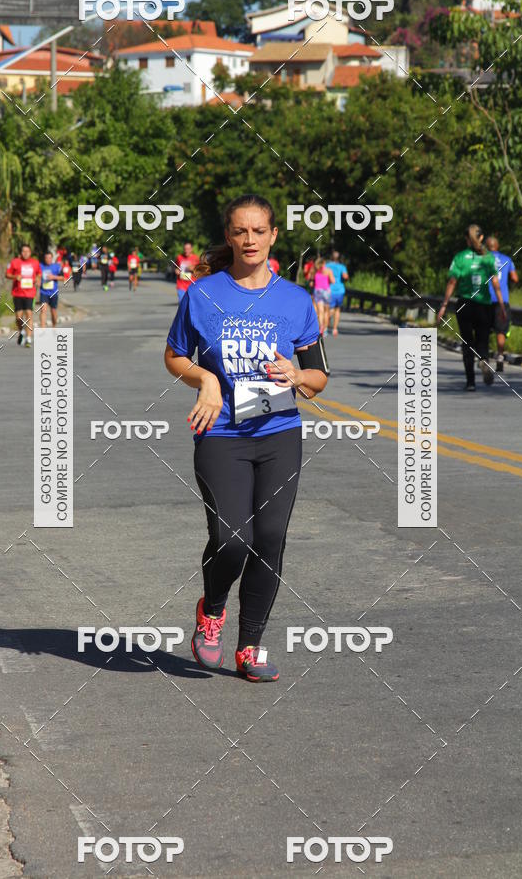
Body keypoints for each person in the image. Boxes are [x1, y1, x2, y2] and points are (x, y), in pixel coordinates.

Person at [164, 194, 329, 682]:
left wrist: (296, 376)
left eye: (259, 231)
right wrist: (206, 380)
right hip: (220, 434)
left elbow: (319, 376)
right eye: (241, 231)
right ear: (229, 237)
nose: (250, 239)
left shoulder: (296, 300)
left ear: (274, 235)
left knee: (270, 539)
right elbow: (175, 356)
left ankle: (250, 646)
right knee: (232, 538)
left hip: (278, 432)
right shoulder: (203, 294)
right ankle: (211, 610)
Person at [437, 224, 505, 391]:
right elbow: (495, 283)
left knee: (467, 342)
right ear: (481, 238)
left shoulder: (460, 257)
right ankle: (483, 359)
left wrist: (444, 305)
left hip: (465, 304)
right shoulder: (488, 258)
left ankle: (470, 382)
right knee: (483, 340)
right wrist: (502, 306)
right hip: (484, 305)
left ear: (467, 239)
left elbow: (452, 281)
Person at [486, 235, 519, 372]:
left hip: (484, 300)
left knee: (484, 329)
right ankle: (500, 356)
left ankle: (484, 356)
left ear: (487, 247)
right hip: (502, 300)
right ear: (497, 246)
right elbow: (515, 278)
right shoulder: (507, 259)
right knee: (501, 330)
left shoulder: (483, 259)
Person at [5, 243, 41, 348]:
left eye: (27, 251)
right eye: (23, 251)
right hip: (17, 293)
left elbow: (39, 273)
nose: (25, 253)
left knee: (29, 314)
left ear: (30, 252)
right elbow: (7, 274)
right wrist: (15, 277)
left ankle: (29, 338)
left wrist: (38, 279)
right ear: (21, 253)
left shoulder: (35, 263)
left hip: (30, 293)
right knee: (18, 318)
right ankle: (21, 332)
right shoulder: (15, 262)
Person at [308, 258, 335, 336]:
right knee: (326, 311)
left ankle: (321, 327)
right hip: (326, 291)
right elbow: (333, 281)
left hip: (318, 291)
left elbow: (310, 281)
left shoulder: (314, 270)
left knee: (320, 312)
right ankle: (325, 330)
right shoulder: (328, 270)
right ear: (324, 263)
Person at [326, 251, 349, 336]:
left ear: (331, 257)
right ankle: (335, 329)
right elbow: (346, 276)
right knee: (337, 309)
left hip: (329, 290)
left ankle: (325, 324)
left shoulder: (327, 266)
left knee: (329, 309)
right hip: (340, 290)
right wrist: (344, 278)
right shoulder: (342, 267)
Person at [39, 251, 62, 328]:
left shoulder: (56, 267)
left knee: (53, 312)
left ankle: (54, 327)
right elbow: (36, 276)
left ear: (52, 258)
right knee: (43, 310)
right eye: (46, 258)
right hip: (44, 292)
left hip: (53, 293)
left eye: (50, 258)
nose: (48, 259)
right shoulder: (40, 266)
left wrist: (54, 277)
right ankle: (43, 330)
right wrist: (37, 281)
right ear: (44, 258)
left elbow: (63, 278)